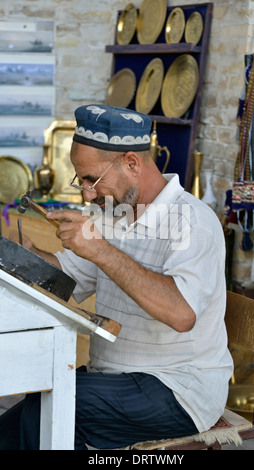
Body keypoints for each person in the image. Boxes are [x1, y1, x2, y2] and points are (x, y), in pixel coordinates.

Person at [0, 104, 233, 450]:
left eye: (93, 180)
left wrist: (101, 251)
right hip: (113, 379)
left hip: (178, 387)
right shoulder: (113, 213)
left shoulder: (193, 221)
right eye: (82, 181)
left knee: (47, 419)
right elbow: (65, 279)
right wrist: (24, 255)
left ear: (132, 164)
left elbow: (182, 314)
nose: (87, 194)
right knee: (10, 428)